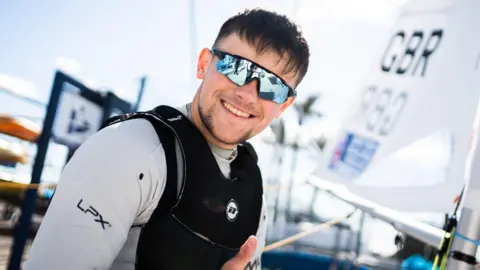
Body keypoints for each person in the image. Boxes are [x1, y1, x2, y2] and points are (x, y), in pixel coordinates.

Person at [23, 8, 310, 270]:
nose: (248, 94)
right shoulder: (127, 150)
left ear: (283, 106)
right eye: (237, 67)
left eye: (272, 86)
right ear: (204, 64)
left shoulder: (253, 191)